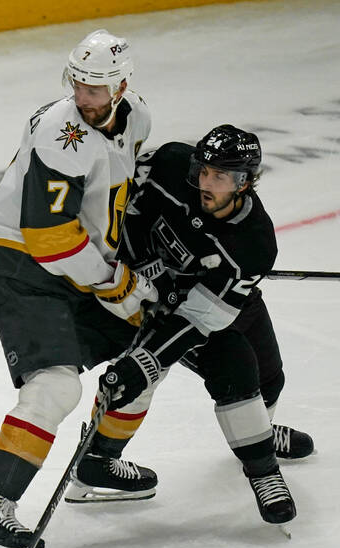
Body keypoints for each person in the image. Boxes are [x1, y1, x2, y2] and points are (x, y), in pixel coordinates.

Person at [0, 28, 160, 548]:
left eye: (98, 89)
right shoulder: (59, 134)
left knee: (147, 353)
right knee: (54, 388)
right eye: (79, 84)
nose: (86, 98)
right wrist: (115, 282)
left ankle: (96, 465)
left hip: (79, 262)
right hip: (23, 262)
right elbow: (49, 238)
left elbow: (124, 188)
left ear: (122, 87)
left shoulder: (138, 117)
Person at [102, 124, 313, 525]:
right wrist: (133, 265)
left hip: (214, 300)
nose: (206, 183)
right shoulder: (168, 164)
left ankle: (260, 433)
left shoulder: (253, 245)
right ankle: (263, 469)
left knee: (271, 379)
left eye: (220, 177)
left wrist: (150, 356)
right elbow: (121, 209)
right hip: (147, 296)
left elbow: (200, 317)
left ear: (245, 182)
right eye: (204, 170)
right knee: (235, 366)